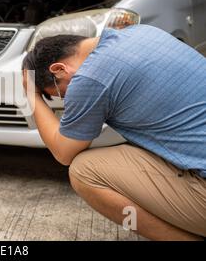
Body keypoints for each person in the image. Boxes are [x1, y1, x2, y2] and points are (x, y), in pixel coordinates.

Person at [22, 24, 206, 241]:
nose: (65, 99)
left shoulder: (90, 78)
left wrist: (32, 95)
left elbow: (63, 153)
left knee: (84, 171)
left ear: (59, 69)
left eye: (59, 92)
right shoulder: (143, 32)